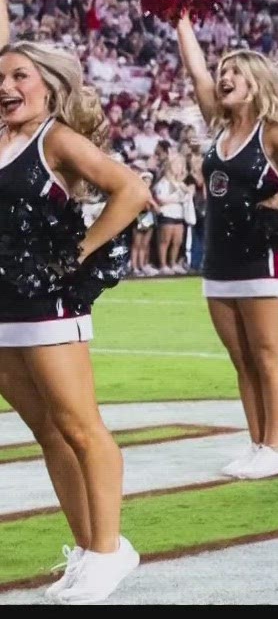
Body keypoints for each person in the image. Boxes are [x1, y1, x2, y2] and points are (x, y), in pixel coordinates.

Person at [0, 41, 150, 604]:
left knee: (81, 427)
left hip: (51, 307)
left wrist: (80, 251)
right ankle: (88, 549)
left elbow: (132, 191)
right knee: (48, 432)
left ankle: (111, 551)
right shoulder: (2, 140)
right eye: (1, 77)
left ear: (49, 84)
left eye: (20, 75)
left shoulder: (55, 138)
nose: (7, 86)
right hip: (3, 305)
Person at [172, 15, 278, 480]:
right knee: (241, 359)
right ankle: (257, 443)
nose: (223, 78)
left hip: (262, 259)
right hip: (218, 259)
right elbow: (196, 73)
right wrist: (182, 22)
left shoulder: (272, 133)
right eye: (223, 71)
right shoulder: (219, 129)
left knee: (267, 355)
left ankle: (277, 447)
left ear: (256, 83)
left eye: (234, 72)